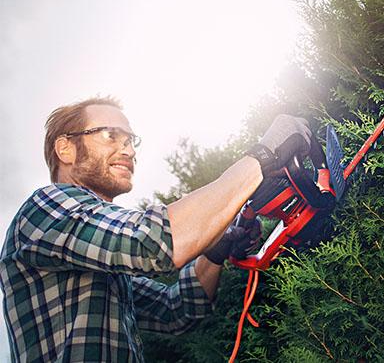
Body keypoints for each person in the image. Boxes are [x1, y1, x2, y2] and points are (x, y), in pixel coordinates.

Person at [0, 96, 311, 362]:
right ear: (65, 149)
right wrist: (262, 157)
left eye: (130, 141)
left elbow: (177, 310)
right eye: (110, 135)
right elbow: (153, 241)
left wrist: (216, 250)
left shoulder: (99, 266)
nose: (130, 151)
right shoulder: (46, 207)